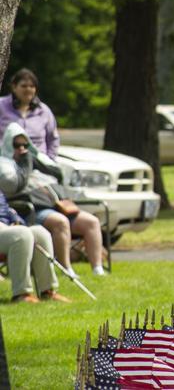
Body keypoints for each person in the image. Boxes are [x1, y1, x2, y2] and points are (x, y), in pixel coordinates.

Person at [0, 123, 105, 277]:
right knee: (60, 222)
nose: (22, 148)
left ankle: (98, 269)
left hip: (58, 204)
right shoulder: (6, 165)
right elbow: (11, 186)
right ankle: (66, 269)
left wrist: (36, 162)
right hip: (34, 209)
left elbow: (60, 174)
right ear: (9, 144)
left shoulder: (37, 158)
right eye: (17, 144)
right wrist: (26, 164)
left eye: (25, 144)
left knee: (91, 222)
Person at [0, 191, 70, 303]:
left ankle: (47, 290)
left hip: (6, 228)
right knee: (21, 234)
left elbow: (6, 210)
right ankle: (22, 293)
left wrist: (16, 220)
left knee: (40, 232)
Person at [0, 68, 59, 159]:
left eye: (32, 86)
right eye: (24, 86)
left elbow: (53, 139)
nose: (28, 89)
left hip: (38, 160)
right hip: (7, 159)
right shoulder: (1, 106)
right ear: (14, 87)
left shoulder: (44, 110)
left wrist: (50, 159)